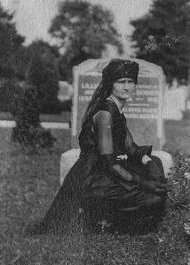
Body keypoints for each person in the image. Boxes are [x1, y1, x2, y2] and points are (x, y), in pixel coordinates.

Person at [30, 59, 168, 234]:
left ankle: (122, 222)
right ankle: (112, 225)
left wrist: (149, 162)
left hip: (107, 169)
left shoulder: (116, 110)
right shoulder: (104, 114)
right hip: (93, 175)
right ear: (111, 83)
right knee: (151, 197)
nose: (127, 87)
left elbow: (130, 147)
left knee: (156, 163)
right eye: (121, 82)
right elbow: (110, 163)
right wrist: (146, 183)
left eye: (131, 81)